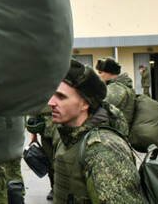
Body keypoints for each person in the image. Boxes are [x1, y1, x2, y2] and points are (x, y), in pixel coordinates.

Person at [48, 59, 144, 204]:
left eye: (61, 96)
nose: (51, 102)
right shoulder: (67, 138)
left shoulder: (103, 149)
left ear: (85, 104)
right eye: (52, 95)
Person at [96, 57, 136, 127]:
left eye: (100, 72)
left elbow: (100, 111)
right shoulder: (121, 86)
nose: (98, 76)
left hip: (113, 132)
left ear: (110, 73)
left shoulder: (116, 89)